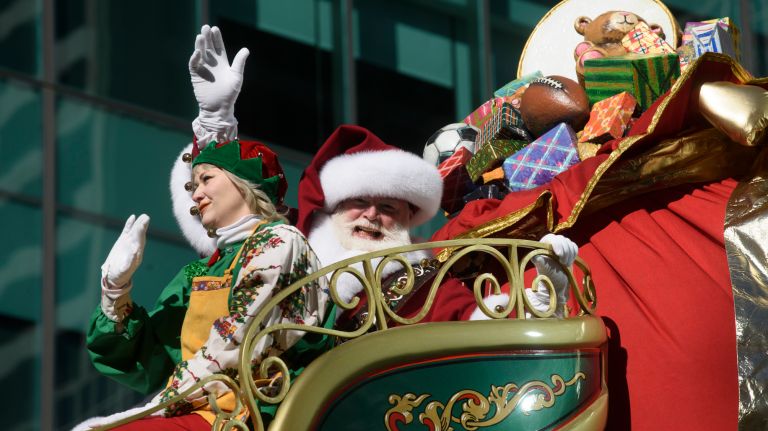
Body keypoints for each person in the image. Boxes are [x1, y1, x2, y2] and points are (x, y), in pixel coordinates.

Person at [79, 26, 331, 430]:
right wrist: (115, 292)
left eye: (206, 180)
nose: (195, 194)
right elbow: (150, 359)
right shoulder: (206, 270)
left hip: (244, 414)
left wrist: (150, 409)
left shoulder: (279, 240)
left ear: (245, 185)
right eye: (192, 185)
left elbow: (238, 339)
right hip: (205, 407)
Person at [294, 124, 579, 324]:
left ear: (407, 220)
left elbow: (479, 329)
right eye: (358, 202)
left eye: (387, 207)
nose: (371, 215)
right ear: (335, 208)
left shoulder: (427, 283)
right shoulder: (294, 258)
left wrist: (545, 299)